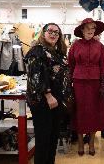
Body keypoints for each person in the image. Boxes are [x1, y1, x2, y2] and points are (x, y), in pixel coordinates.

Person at [24, 23, 72, 164]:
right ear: (43, 33)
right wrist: (48, 95)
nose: (53, 34)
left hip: (56, 101)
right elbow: (36, 76)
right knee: (43, 139)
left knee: (52, 139)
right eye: (50, 31)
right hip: (43, 101)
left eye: (56, 32)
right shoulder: (37, 51)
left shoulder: (56, 52)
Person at [68, 18, 104, 156]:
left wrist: (103, 85)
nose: (91, 30)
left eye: (93, 28)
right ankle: (80, 141)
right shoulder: (75, 45)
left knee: (94, 113)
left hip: (95, 83)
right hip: (78, 83)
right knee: (79, 112)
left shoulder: (100, 46)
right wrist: (69, 84)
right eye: (88, 28)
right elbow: (70, 65)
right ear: (82, 30)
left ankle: (91, 141)